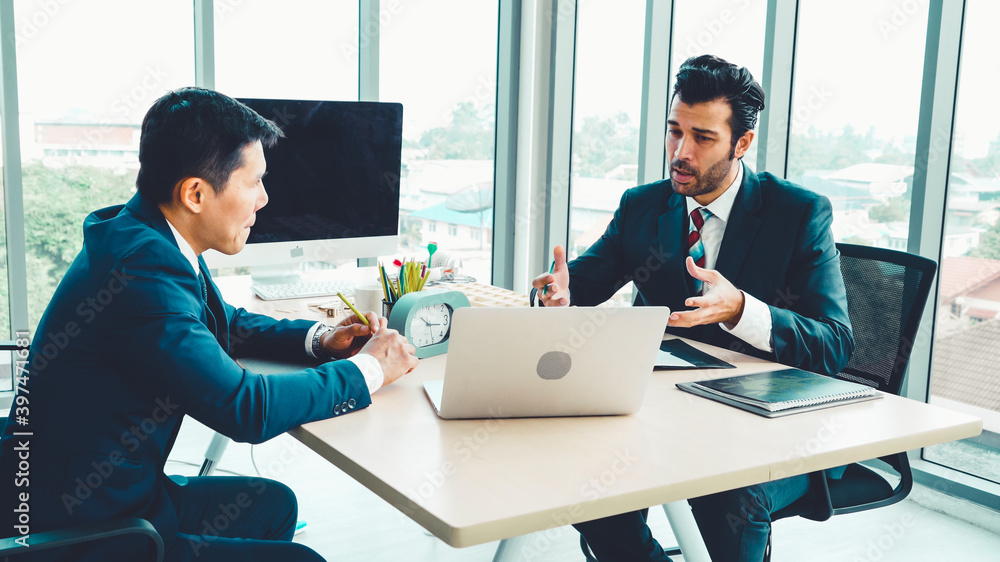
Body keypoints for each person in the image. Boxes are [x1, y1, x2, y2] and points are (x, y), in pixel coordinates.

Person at [0, 88, 419, 562]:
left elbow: (225, 324)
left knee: (273, 506)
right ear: (195, 193)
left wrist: (321, 339)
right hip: (93, 524)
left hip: (115, 488)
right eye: (254, 182)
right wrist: (370, 370)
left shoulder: (147, 234)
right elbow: (246, 409)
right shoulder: (142, 273)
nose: (265, 198)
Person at [531, 55, 854, 561]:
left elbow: (834, 343)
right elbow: (577, 286)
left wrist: (740, 309)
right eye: (674, 131)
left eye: (702, 138)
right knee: (589, 480)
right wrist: (555, 295)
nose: (680, 152)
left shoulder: (798, 214)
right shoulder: (643, 207)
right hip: (665, 415)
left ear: (741, 143)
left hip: (769, 429)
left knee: (721, 491)